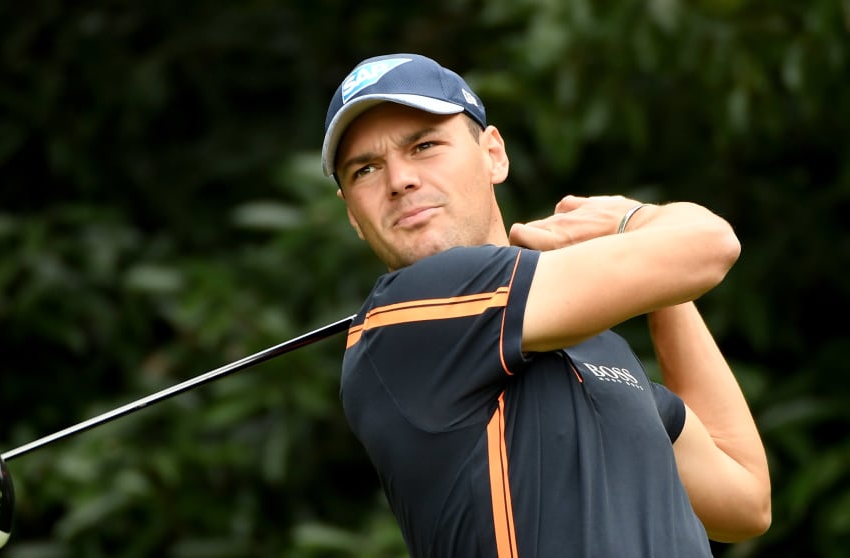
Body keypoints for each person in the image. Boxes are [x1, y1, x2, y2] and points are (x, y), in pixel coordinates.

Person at [321, 53, 771, 557]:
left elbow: (744, 501)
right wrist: (629, 221)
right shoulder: (407, 313)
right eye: (365, 169)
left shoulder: (595, 348)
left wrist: (659, 292)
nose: (399, 180)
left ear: (494, 154)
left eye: (424, 145)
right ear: (353, 215)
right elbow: (711, 244)